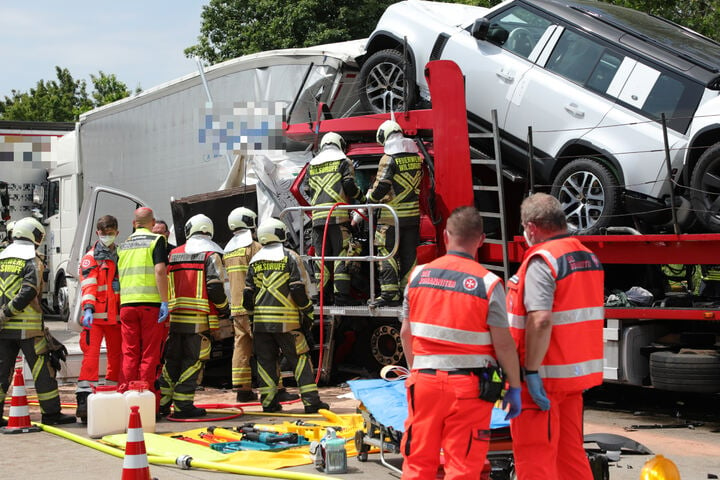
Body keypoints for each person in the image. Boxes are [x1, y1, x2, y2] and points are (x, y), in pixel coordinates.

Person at [399, 206, 522, 479]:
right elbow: (503, 344)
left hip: (425, 383)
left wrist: (416, 371)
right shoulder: (489, 283)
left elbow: (406, 333)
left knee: (418, 462)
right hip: (469, 389)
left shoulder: (417, 276)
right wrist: (513, 387)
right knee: (463, 467)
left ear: (445, 236)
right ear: (480, 241)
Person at [506, 193, 604, 480]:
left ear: (532, 227)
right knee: (569, 456)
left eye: (524, 228)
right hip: (570, 378)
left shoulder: (542, 260)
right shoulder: (587, 256)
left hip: (541, 378)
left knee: (534, 458)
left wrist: (531, 371)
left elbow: (541, 318)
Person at [243, 218, 329, 413]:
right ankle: (311, 402)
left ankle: (269, 403)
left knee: (265, 362)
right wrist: (307, 310)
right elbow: (298, 289)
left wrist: (252, 317)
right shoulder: (289, 256)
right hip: (288, 323)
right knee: (299, 359)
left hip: (261, 325)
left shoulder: (254, 261)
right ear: (280, 234)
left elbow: (248, 294)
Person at [0, 217, 75, 425]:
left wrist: (2, 316)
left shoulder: (1, 257)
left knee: (1, 373)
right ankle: (51, 415)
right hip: (29, 330)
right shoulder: (31, 260)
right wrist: (7, 312)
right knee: (43, 370)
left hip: (3, 329)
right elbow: (29, 290)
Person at [159, 214, 229, 418]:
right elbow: (215, 288)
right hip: (199, 321)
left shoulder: (174, 254)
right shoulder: (211, 254)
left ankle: (162, 403)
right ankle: (183, 404)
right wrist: (224, 308)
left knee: (171, 361)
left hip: (175, 319)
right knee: (194, 361)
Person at [367, 120, 424, 307]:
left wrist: (371, 200)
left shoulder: (388, 158)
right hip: (412, 217)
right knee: (409, 256)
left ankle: (390, 294)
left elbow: (382, 185)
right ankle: (408, 293)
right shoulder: (415, 157)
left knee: (387, 253)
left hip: (391, 218)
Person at [304, 132, 365, 305]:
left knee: (321, 258)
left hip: (317, 220)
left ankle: (322, 297)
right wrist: (361, 199)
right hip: (337, 218)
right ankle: (342, 297)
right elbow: (348, 185)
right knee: (340, 255)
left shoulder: (312, 165)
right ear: (340, 144)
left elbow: (307, 189)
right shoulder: (343, 161)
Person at [117, 207, 169, 409]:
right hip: (150, 305)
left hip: (127, 305)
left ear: (133, 223)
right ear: (152, 222)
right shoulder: (157, 241)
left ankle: (126, 399)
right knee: (149, 354)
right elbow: (160, 270)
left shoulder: (124, 245)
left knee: (129, 353)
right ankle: (146, 403)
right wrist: (165, 300)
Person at [75, 215, 123, 423]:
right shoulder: (91, 257)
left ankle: (113, 394)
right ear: (97, 233)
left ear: (117, 233)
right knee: (90, 358)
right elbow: (89, 285)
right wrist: (87, 308)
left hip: (116, 317)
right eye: (104, 234)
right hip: (94, 317)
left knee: (117, 357)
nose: (107, 237)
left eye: (110, 234)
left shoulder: (121, 255)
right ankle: (84, 400)